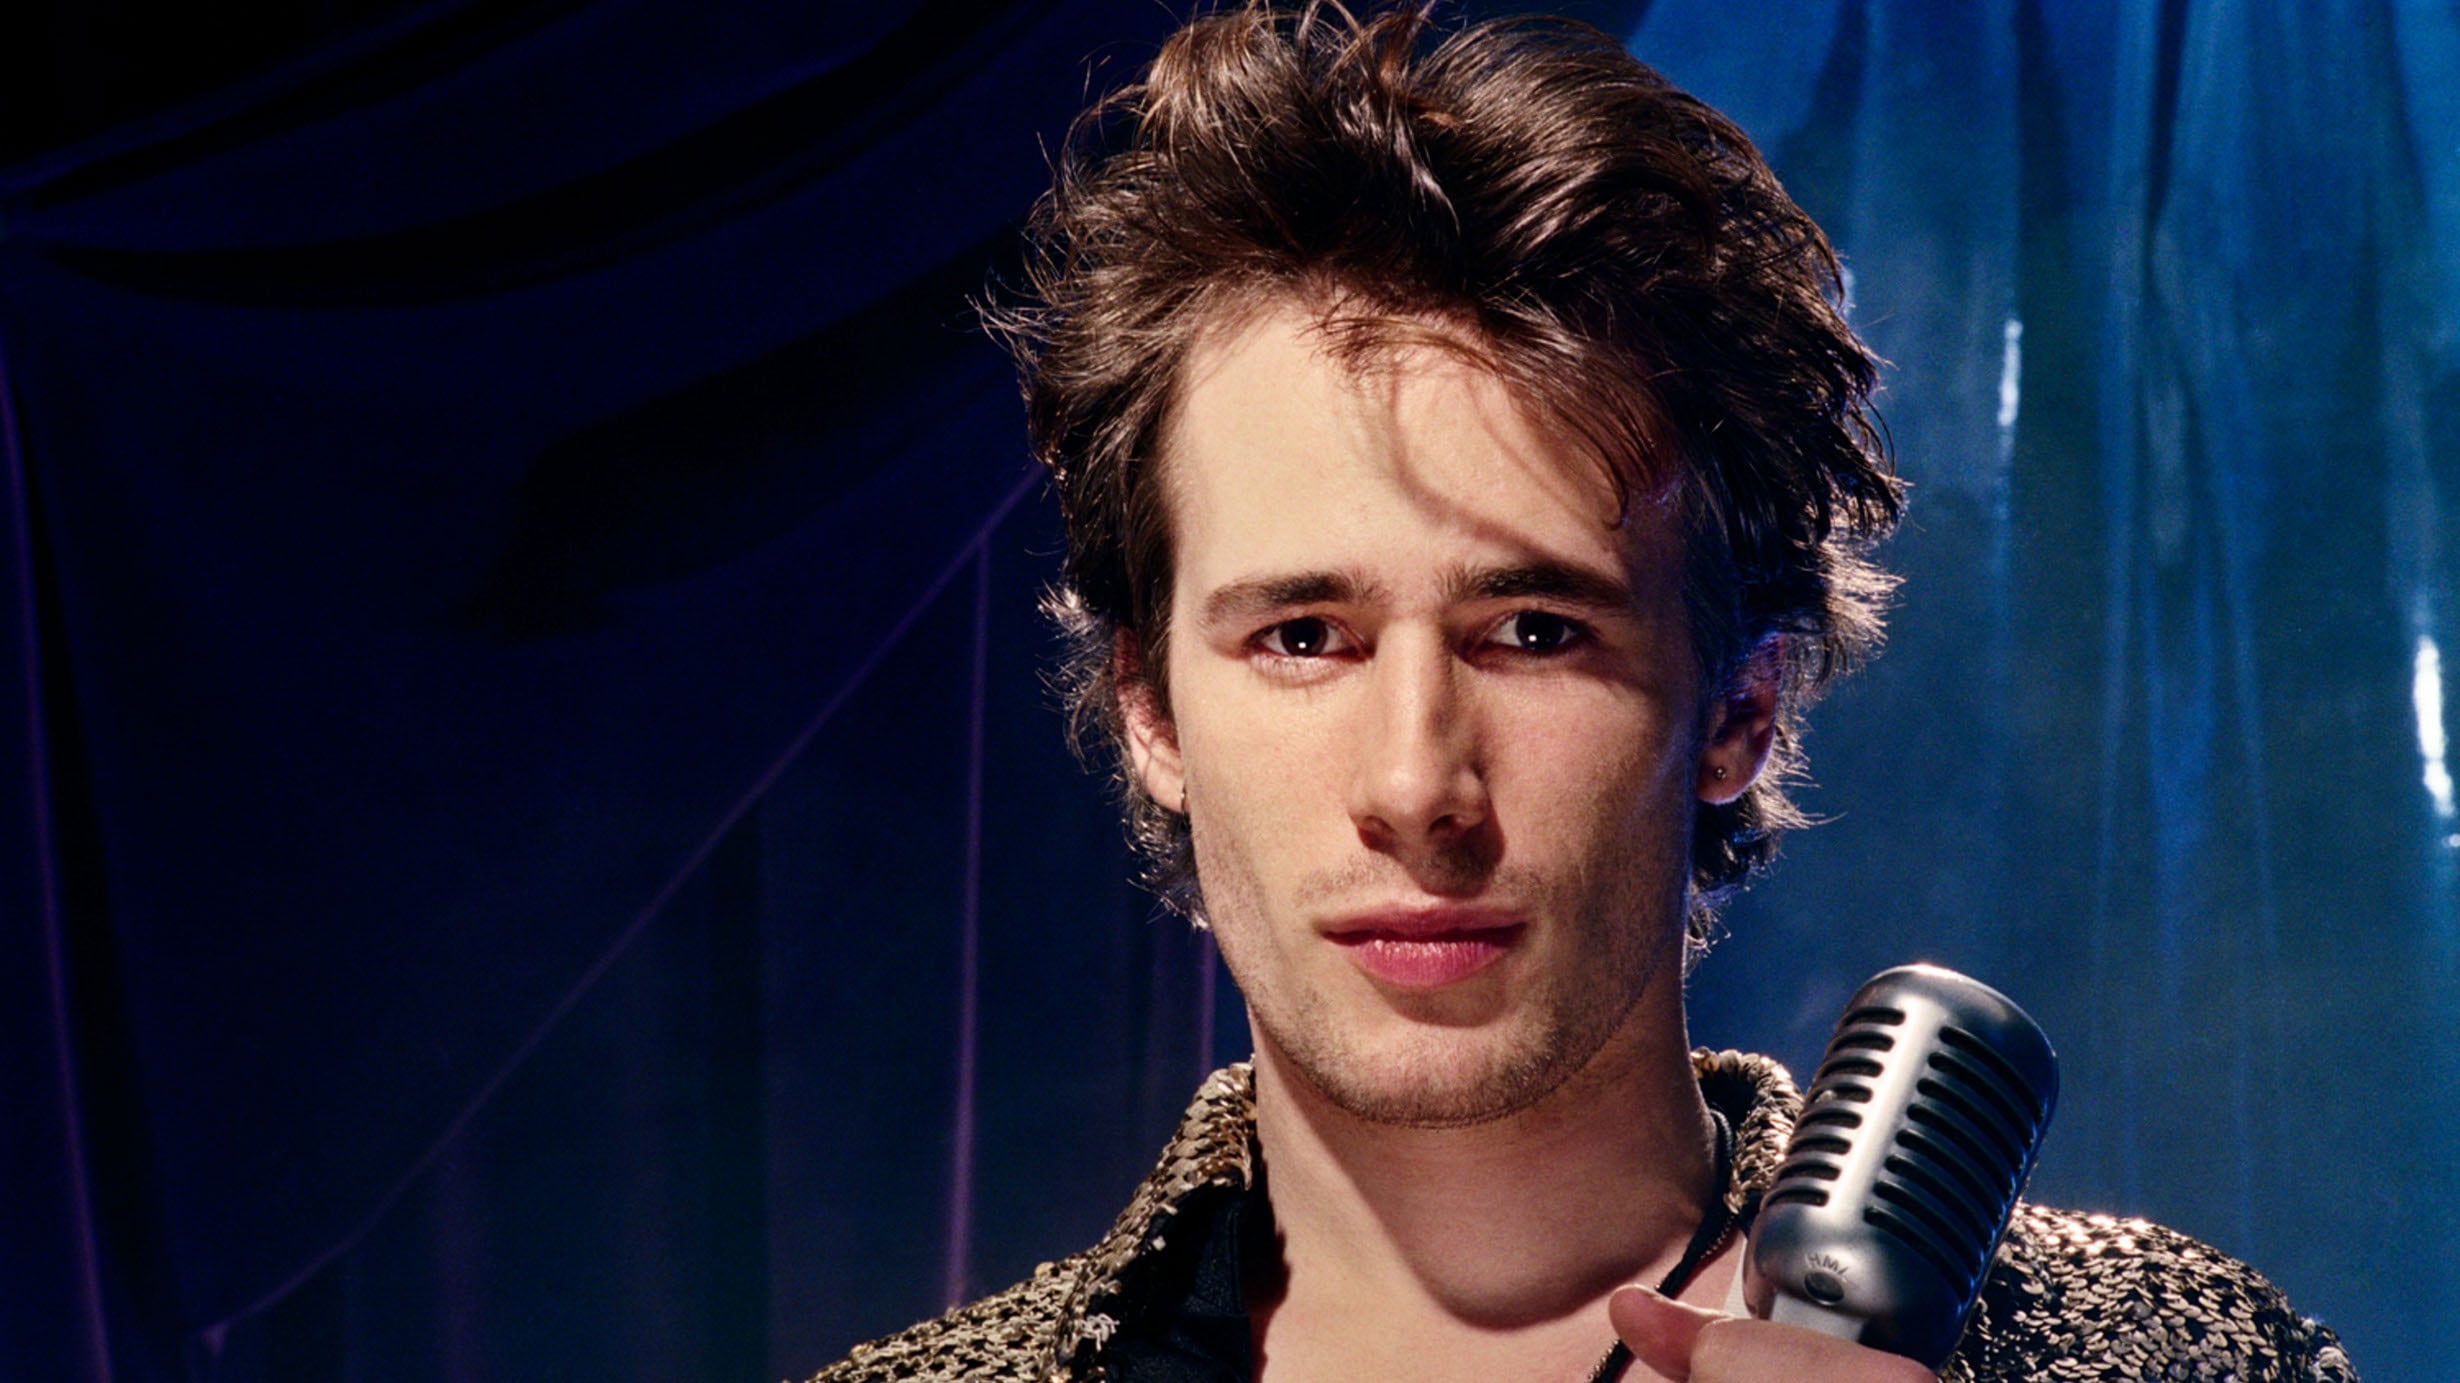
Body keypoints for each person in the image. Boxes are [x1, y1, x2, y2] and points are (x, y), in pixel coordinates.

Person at [812, 4, 2356, 1379]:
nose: (1416, 786)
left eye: (1534, 631)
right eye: (1302, 637)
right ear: (1152, 712)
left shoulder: (2174, 1355)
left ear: (1741, 712)